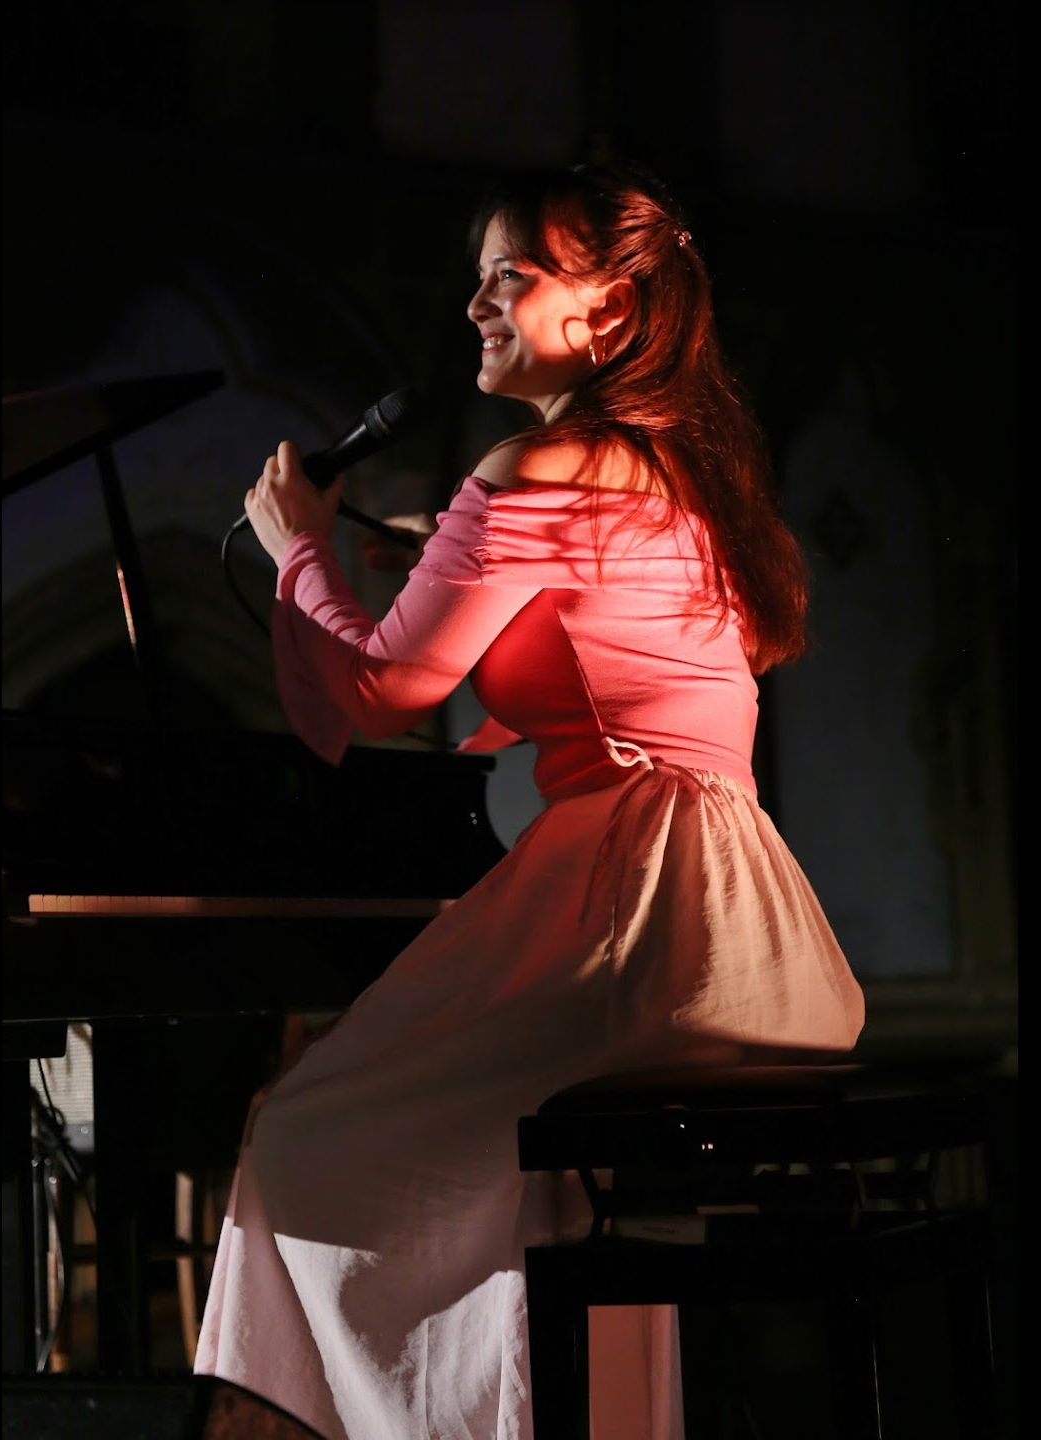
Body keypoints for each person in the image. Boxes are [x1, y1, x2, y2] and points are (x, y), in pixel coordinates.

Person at [193, 160, 865, 1440]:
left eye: (510, 276)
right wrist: (430, 546)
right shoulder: (684, 478)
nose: (475, 307)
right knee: (528, 1173)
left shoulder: (540, 465)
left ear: (608, 311)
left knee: (300, 1135)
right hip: (746, 932)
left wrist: (300, 551)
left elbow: (389, 687)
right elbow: (599, 637)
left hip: (632, 915)